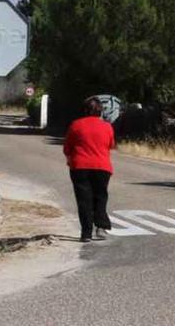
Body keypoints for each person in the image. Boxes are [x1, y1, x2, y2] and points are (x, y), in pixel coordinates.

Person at [63, 97, 116, 242]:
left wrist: (70, 157)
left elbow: (67, 147)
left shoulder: (76, 125)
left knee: (84, 200)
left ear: (85, 110)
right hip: (102, 167)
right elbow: (111, 145)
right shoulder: (107, 127)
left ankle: (86, 233)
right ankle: (101, 227)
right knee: (100, 196)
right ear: (100, 111)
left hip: (80, 166)